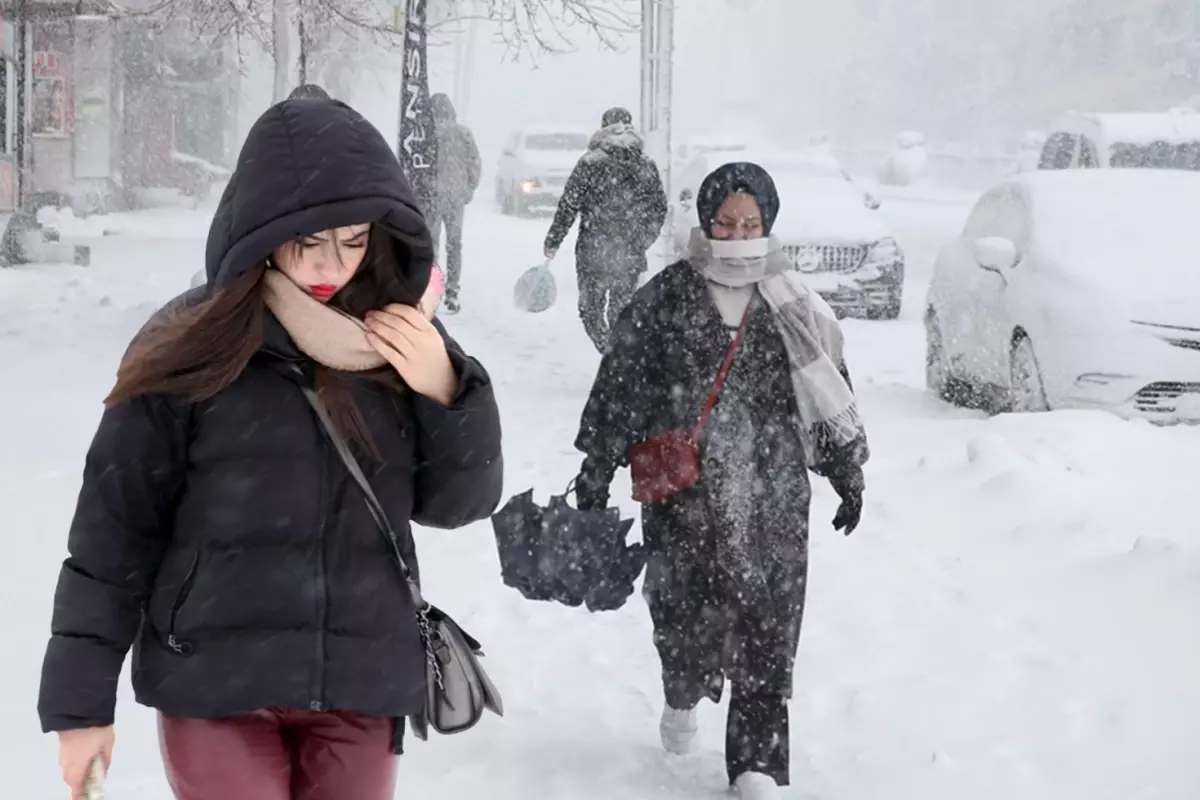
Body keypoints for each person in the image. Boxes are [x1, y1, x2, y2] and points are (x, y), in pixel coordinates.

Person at [37, 94, 504, 800]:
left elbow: (458, 505)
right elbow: (113, 533)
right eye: (307, 240)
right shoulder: (191, 345)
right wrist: (79, 709)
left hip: (362, 679)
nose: (331, 265)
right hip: (215, 681)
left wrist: (446, 390)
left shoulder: (399, 342)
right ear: (260, 231)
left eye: (352, 240)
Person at [570, 162, 869, 799]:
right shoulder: (668, 294)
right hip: (686, 492)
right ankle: (682, 692)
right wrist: (597, 465)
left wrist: (846, 470)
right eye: (725, 223)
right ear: (706, 222)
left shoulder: (792, 300)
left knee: (770, 618)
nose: (737, 235)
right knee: (684, 614)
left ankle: (755, 761)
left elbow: (827, 390)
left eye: (750, 223)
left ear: (769, 223)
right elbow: (620, 386)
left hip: (774, 486)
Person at [543, 106, 667, 352]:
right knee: (622, 310)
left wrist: (553, 241)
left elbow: (569, 204)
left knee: (590, 310)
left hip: (593, 251)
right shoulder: (646, 164)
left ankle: (608, 351)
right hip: (629, 252)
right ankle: (619, 357)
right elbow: (659, 208)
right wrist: (642, 239)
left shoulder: (590, 162)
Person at [429, 92, 481, 314]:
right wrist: (469, 188)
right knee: (454, 244)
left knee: (431, 244)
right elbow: (474, 164)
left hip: (430, 194)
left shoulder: (427, 134)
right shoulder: (463, 133)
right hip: (455, 196)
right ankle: (452, 290)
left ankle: (431, 288)